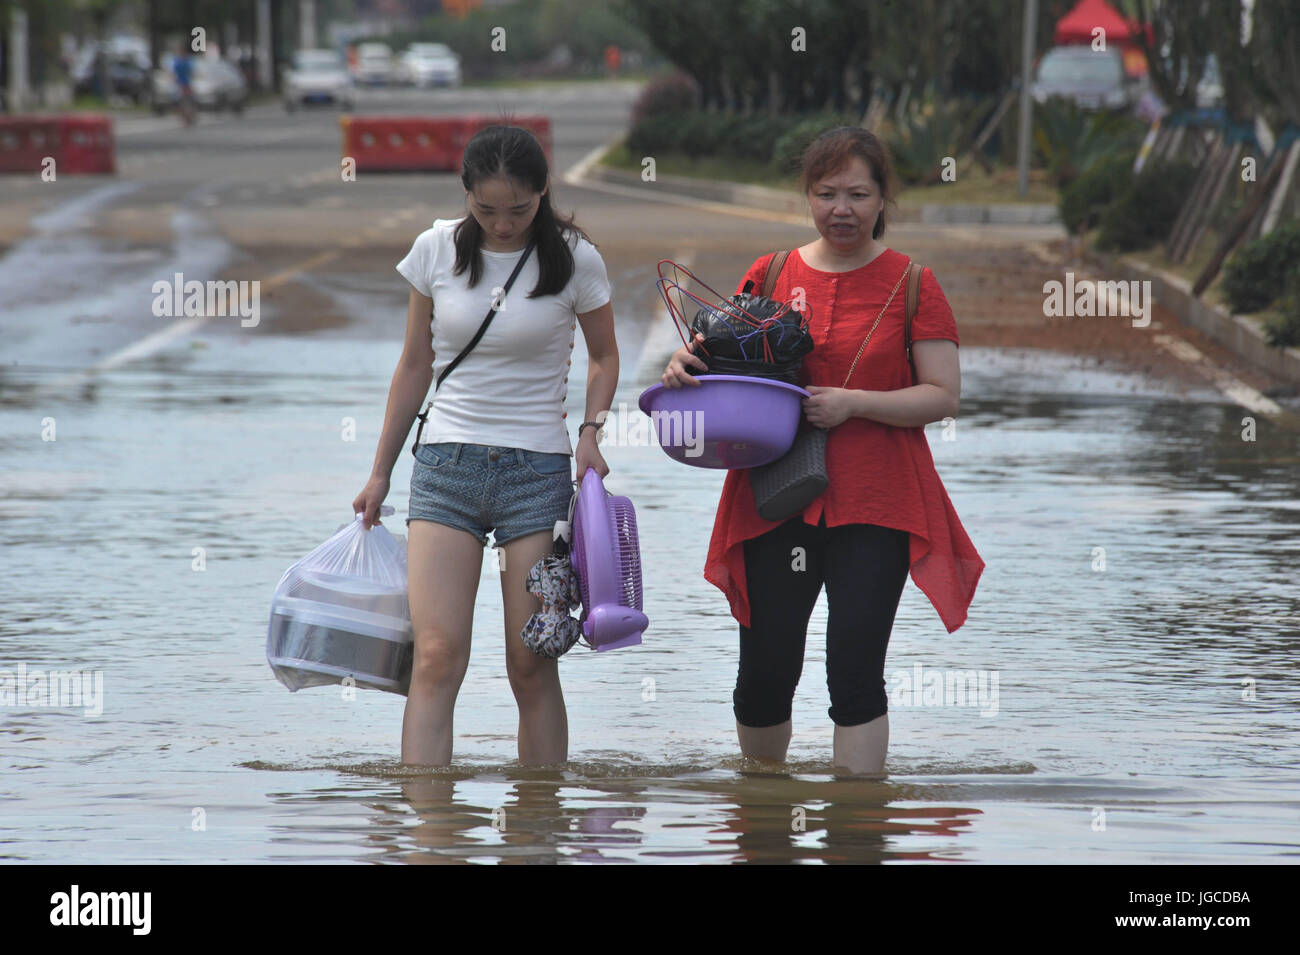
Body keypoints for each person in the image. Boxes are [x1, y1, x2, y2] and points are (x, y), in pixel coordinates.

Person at [661, 126, 984, 776]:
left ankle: (858, 830)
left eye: (858, 193)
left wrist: (853, 404)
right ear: (807, 195)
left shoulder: (913, 284)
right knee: (763, 672)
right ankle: (762, 816)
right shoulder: (772, 273)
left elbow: (943, 396)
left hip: (878, 504)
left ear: (883, 197)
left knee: (855, 675)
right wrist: (682, 368)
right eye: (826, 192)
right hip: (775, 500)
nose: (842, 207)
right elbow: (720, 369)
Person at [352, 125, 619, 767]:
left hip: (538, 475)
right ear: (466, 193)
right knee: (437, 656)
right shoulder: (435, 249)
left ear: (544, 192)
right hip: (446, 466)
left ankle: (539, 825)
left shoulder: (577, 258)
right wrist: (379, 472)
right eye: (487, 209)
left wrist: (591, 432)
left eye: (520, 210)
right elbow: (414, 364)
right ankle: (428, 826)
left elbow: (605, 356)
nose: (503, 225)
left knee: (530, 662)